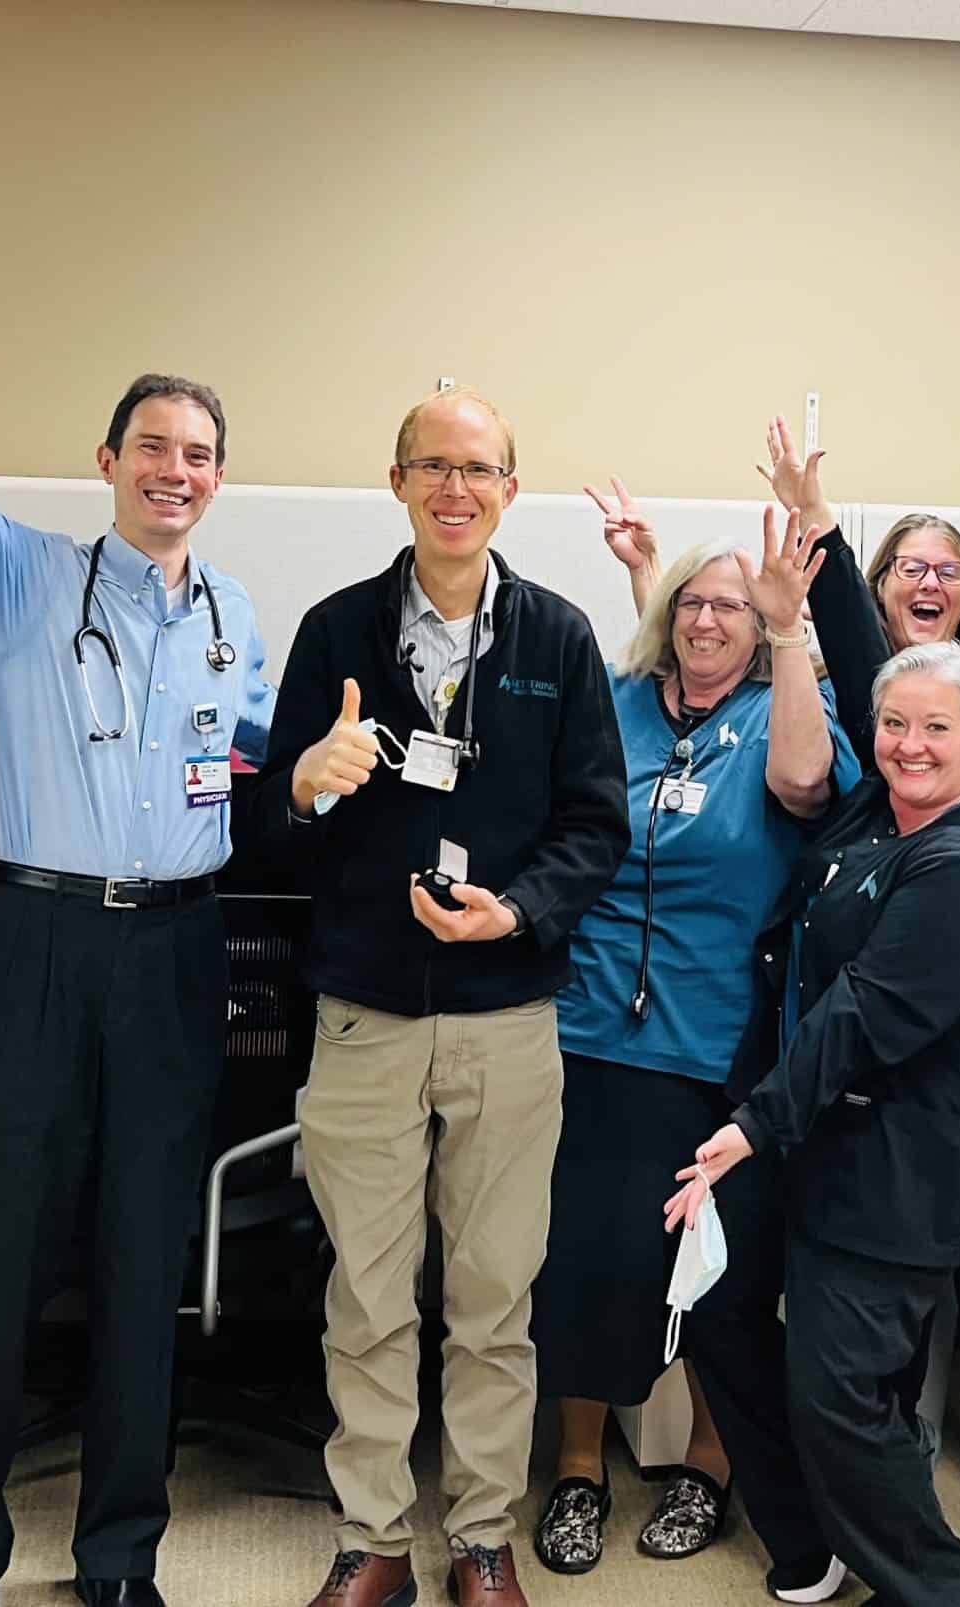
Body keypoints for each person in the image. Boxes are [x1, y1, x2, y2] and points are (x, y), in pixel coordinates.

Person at [0, 123, 276, 1607]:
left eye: (201, 454)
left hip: (174, 951)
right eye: (155, 446)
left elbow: (277, 773)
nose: (178, 470)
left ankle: (121, 1561)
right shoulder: (20, 572)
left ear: (221, 480)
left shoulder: (240, 621)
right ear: (110, 460)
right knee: (1, 1262)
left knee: (145, 1259)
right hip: (37, 946)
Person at [245, 386, 626, 1607]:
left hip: (508, 1014)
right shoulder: (336, 632)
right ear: (397, 481)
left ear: (510, 489)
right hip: (364, 1013)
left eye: (479, 468)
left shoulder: (557, 640)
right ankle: (371, 1539)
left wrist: (516, 908)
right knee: (363, 1295)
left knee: (494, 1295)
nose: (455, 488)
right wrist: (305, 784)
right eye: (432, 466)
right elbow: (277, 829)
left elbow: (595, 823)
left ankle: (478, 1534)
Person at [742, 417, 960, 1539]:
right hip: (866, 1042)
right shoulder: (877, 735)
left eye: (949, 569)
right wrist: (822, 529)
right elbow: (851, 659)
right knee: (860, 1297)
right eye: (909, 567)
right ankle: (882, 1478)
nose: (913, 740)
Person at [664, 640, 960, 1607]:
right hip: (815, 1135)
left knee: (841, 1400)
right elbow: (878, 662)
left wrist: (749, 1127)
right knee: (718, 1307)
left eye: (938, 728)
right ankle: (811, 1537)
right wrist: (812, 550)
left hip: (898, 1169)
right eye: (894, 725)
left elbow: (865, 1011)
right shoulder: (888, 804)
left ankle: (936, 1592)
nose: (911, 745)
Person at [528, 506, 857, 1578]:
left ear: (760, 626)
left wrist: (791, 626)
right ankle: (577, 1466)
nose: (707, 620)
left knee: (711, 1277)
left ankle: (707, 1469)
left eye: (730, 605)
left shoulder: (779, 709)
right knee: (576, 1260)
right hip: (585, 1030)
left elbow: (806, 786)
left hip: (715, 1040)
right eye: (691, 602)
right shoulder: (617, 702)